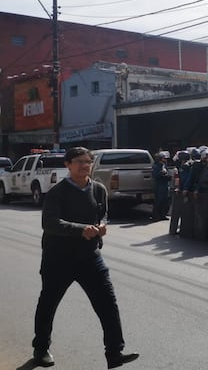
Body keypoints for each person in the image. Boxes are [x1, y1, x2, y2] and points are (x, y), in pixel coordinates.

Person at [32, 147, 139, 368]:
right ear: (67, 165)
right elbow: (49, 224)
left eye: (88, 161)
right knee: (48, 304)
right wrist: (80, 229)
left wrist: (102, 226)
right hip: (58, 259)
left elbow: (102, 214)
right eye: (79, 161)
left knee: (107, 303)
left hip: (90, 257)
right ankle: (41, 349)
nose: (84, 165)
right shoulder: (57, 193)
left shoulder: (98, 189)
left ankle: (114, 353)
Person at [151, 150, 172, 220]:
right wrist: (161, 173)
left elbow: (167, 173)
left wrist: (168, 176)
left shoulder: (164, 165)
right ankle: (156, 216)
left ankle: (163, 215)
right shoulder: (156, 166)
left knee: (165, 201)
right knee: (158, 201)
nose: (165, 160)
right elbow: (155, 175)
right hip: (159, 186)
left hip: (165, 185)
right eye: (164, 158)